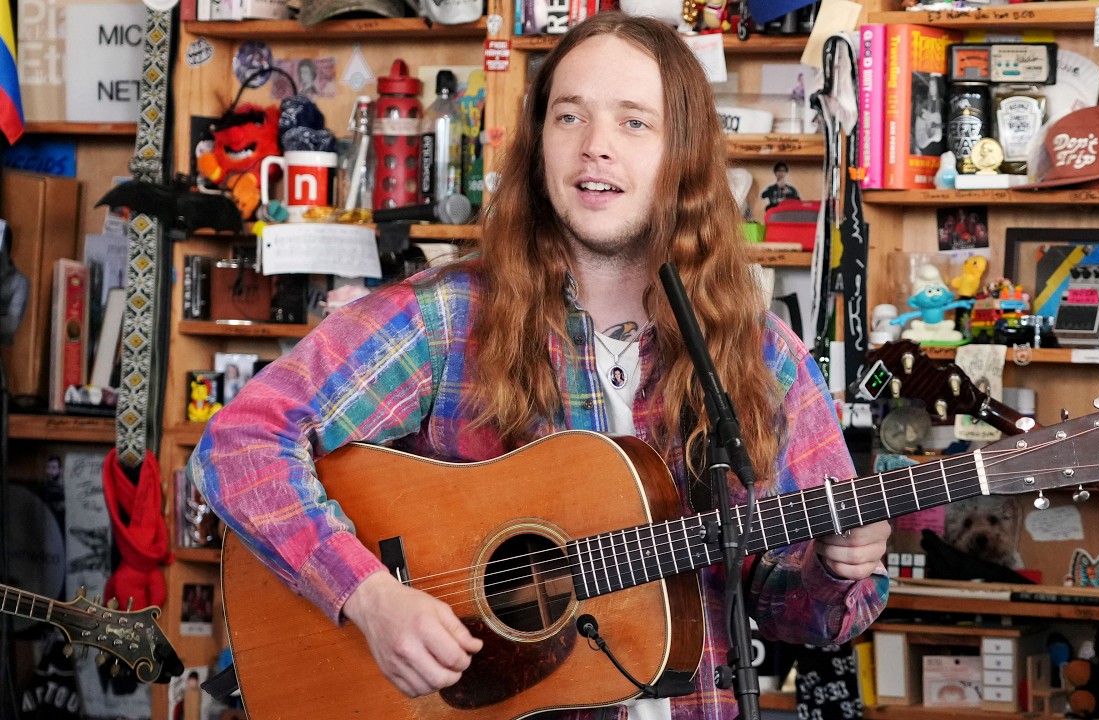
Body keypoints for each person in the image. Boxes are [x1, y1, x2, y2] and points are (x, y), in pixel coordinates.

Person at [189, 12, 890, 717]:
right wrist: (369, 597)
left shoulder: (761, 356)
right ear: (539, 143)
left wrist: (833, 569)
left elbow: (804, 616)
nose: (596, 149)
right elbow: (241, 444)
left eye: (634, 123)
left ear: (685, 156)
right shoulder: (446, 319)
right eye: (569, 116)